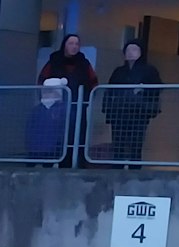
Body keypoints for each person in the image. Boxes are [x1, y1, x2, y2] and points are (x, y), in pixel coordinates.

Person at [38, 34, 98, 166]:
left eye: (77, 44)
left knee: (76, 135)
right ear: (65, 45)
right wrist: (49, 99)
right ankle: (51, 162)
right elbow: (42, 81)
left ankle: (76, 163)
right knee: (55, 136)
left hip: (78, 106)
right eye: (71, 43)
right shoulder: (54, 61)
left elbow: (94, 83)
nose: (74, 46)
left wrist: (86, 100)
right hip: (56, 108)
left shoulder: (84, 63)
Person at [103, 39, 162, 167]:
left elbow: (157, 88)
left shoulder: (149, 70)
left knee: (135, 147)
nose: (130, 53)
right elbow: (109, 90)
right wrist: (108, 111)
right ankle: (116, 173)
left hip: (138, 114)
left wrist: (143, 90)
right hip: (119, 114)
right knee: (118, 146)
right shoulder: (119, 71)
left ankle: (134, 174)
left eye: (134, 49)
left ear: (141, 52)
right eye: (128, 50)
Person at [27, 78, 72, 164]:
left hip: (54, 150)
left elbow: (66, 128)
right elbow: (29, 129)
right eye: (45, 91)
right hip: (35, 149)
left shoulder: (64, 109)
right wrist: (29, 145)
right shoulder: (36, 110)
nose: (46, 94)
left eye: (50, 91)